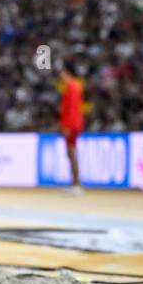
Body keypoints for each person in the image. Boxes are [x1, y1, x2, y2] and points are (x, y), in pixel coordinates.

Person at [58, 64, 85, 195]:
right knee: (70, 153)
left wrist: (67, 126)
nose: (61, 76)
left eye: (62, 73)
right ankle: (74, 183)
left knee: (72, 153)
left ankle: (76, 184)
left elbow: (73, 108)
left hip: (72, 124)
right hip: (72, 123)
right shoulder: (73, 86)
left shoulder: (72, 87)